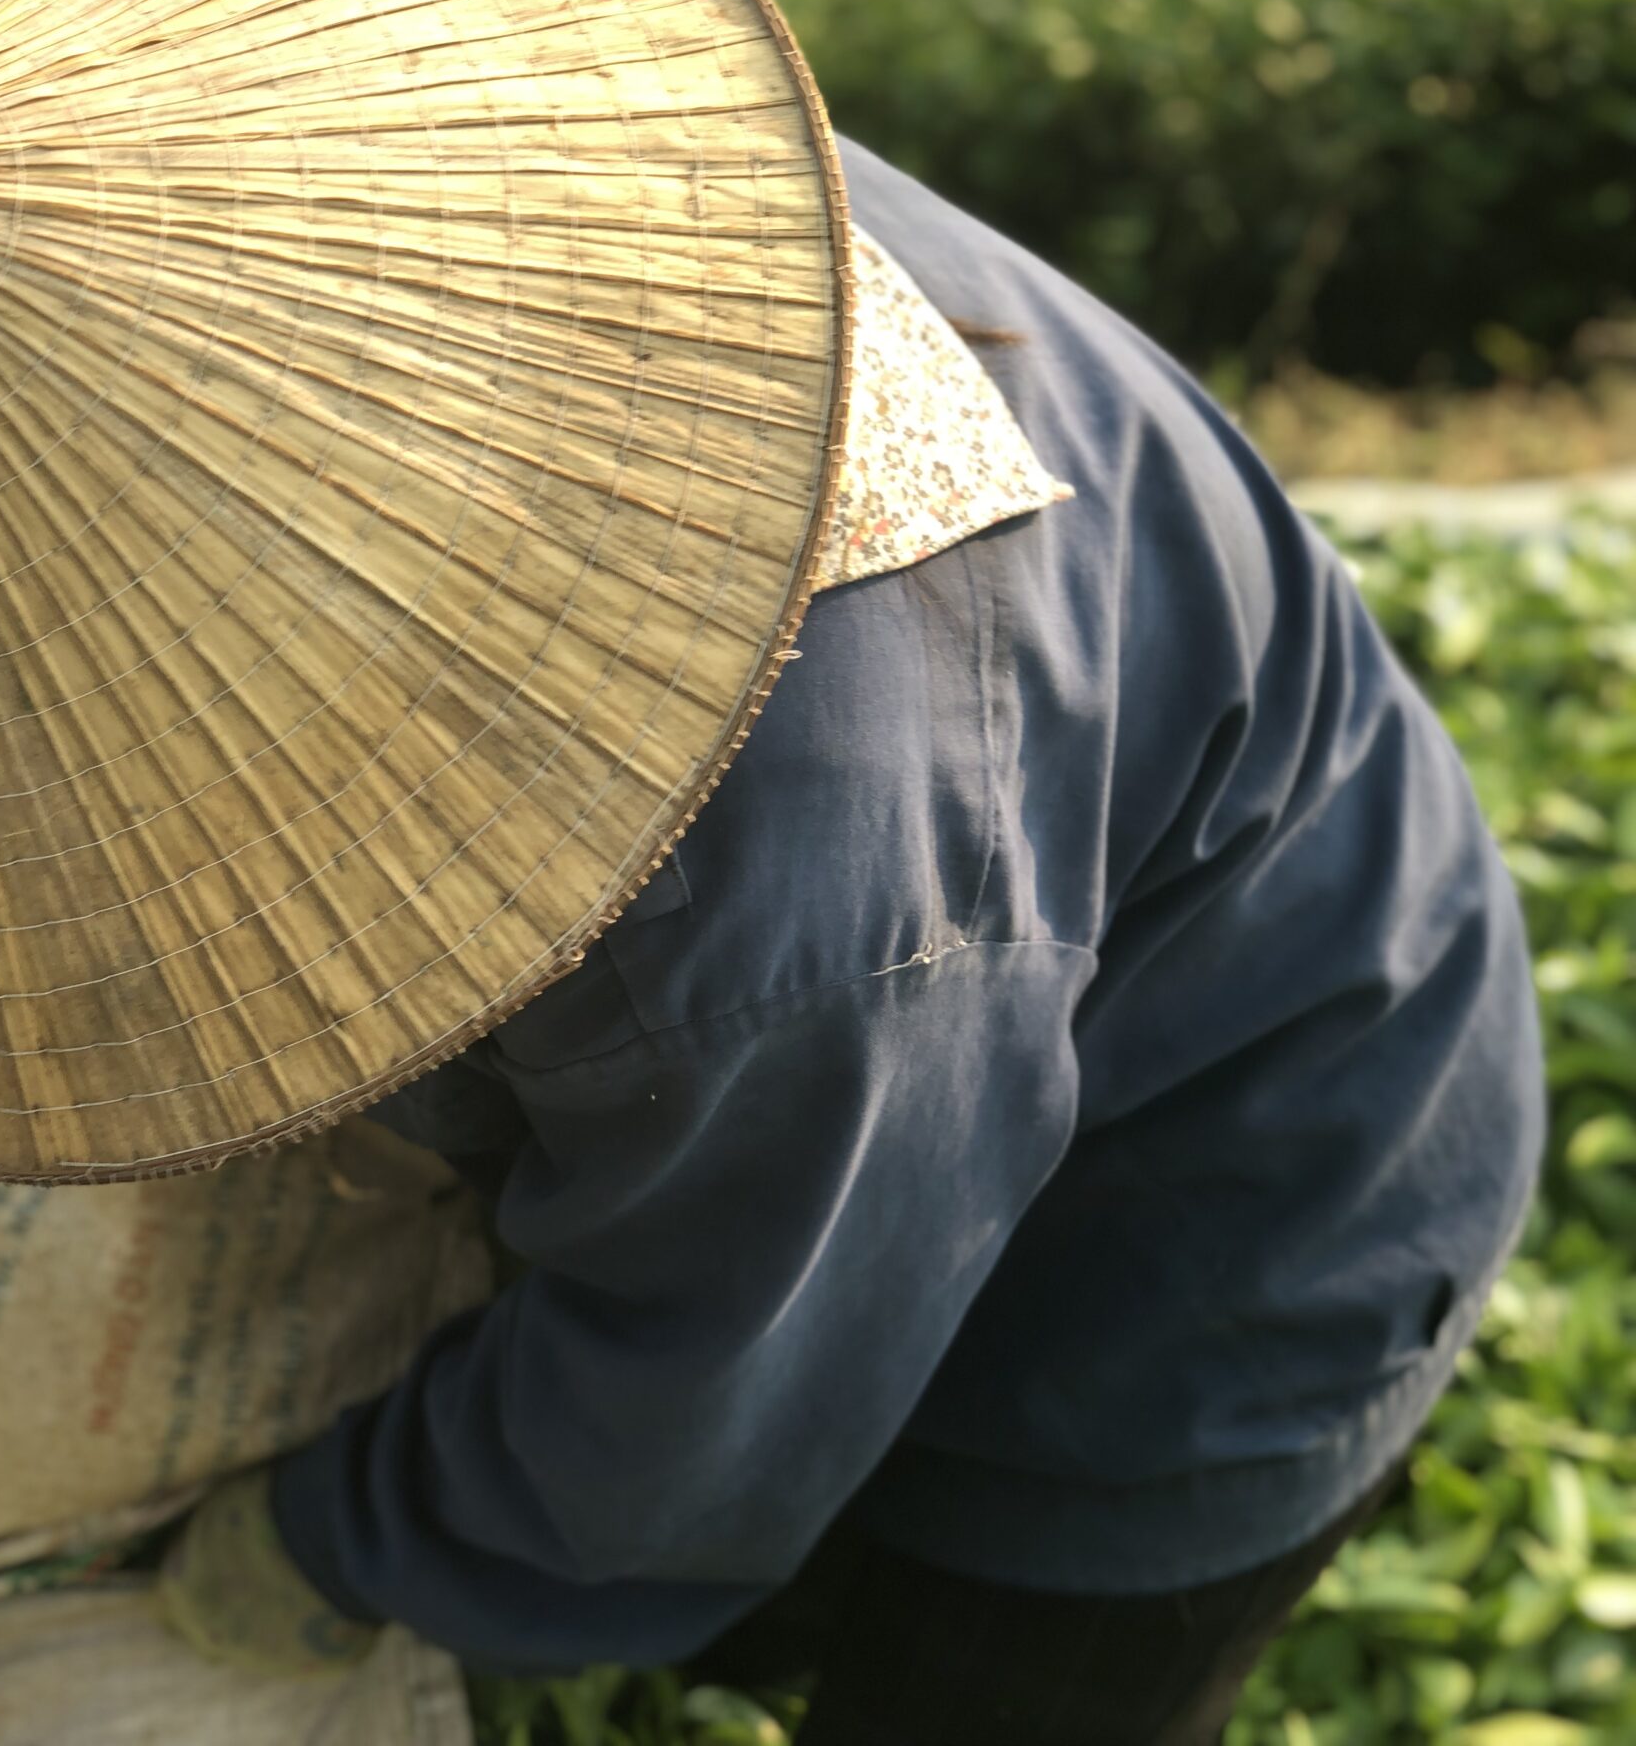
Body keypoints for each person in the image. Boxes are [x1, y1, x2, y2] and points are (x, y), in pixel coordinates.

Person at [153, 134, 1545, 1743]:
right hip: (923, 1041)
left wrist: (346, 1537)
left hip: (1236, 1215)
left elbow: (703, 1405)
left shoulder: (760, 872)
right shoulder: (425, 166)